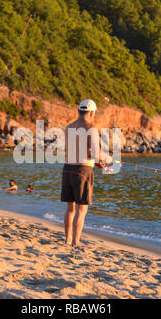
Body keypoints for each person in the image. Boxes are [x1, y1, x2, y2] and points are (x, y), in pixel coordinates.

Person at [61, 99, 112, 247]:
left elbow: (73, 151)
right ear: (91, 112)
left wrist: (95, 160)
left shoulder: (69, 127)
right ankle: (76, 242)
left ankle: (67, 240)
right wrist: (109, 159)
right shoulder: (92, 128)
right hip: (82, 171)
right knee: (81, 209)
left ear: (79, 111)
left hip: (68, 169)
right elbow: (97, 154)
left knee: (70, 209)